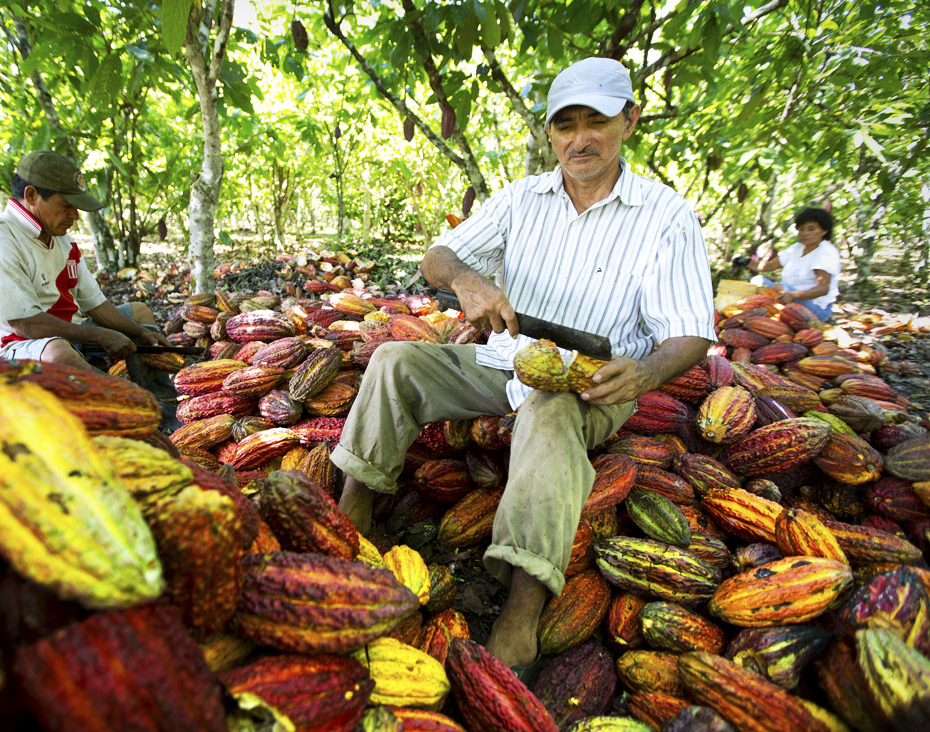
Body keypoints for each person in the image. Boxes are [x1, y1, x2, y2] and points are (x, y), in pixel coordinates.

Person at [332, 57, 715, 675]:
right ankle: (356, 504)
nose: (580, 138)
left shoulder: (666, 217)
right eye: (566, 125)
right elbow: (439, 255)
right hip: (504, 357)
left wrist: (642, 374)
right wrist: (466, 281)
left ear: (630, 121)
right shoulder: (521, 198)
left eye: (598, 121)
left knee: (550, 408)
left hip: (593, 380)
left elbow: (692, 332)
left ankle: (522, 603)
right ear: (550, 133)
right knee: (394, 358)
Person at [0, 150, 169, 368]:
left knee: (139, 314)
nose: (75, 215)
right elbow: (24, 324)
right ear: (31, 195)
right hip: (14, 347)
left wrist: (141, 332)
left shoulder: (63, 242)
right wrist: (99, 335)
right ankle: (120, 397)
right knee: (58, 352)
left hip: (71, 334)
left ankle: (160, 397)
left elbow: (96, 304)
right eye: (66, 205)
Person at [747, 207, 840, 321]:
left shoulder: (826, 252)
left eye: (811, 229)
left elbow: (823, 289)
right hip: (787, 296)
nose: (805, 233)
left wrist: (792, 295)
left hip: (816, 309)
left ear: (824, 231)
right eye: (801, 229)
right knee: (757, 280)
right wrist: (746, 262)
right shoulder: (796, 248)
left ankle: (771, 314)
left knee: (781, 288)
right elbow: (769, 266)